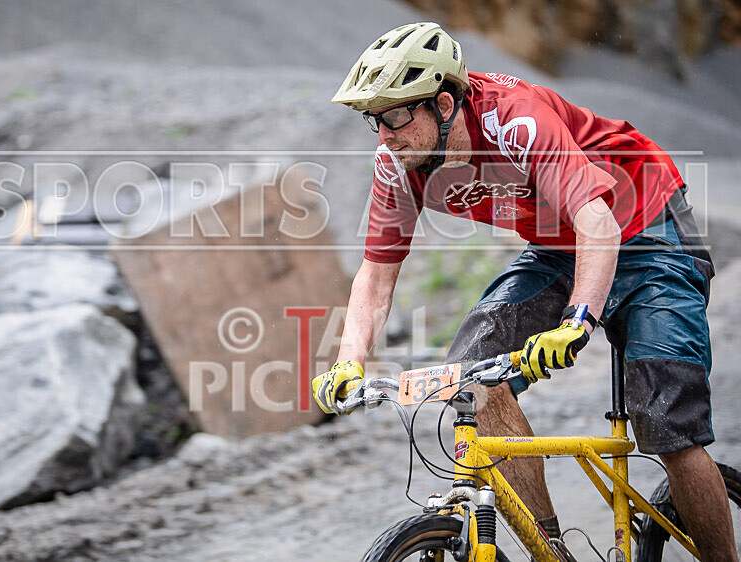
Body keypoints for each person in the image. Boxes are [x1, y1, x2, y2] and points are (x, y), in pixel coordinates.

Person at [311, 22, 737, 560]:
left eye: (395, 116)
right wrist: (348, 361)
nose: (384, 135)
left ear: (444, 105)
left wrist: (577, 320)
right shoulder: (399, 162)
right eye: (375, 120)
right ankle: (549, 549)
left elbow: (598, 223)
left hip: (647, 225)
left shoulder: (516, 120)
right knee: (470, 375)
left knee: (668, 424)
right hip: (560, 243)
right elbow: (376, 272)